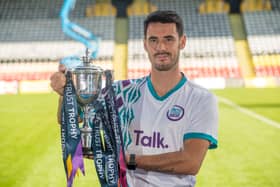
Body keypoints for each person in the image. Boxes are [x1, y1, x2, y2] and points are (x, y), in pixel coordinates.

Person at [50, 10, 218, 187]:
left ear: (182, 42)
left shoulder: (201, 99)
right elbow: (71, 119)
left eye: (169, 39)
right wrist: (66, 94)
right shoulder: (123, 92)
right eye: (153, 40)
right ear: (145, 44)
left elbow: (190, 162)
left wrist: (128, 160)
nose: (161, 47)